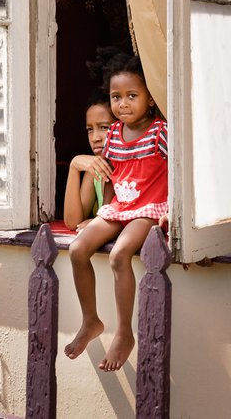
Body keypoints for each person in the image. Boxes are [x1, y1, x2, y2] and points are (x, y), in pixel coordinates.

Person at [64, 50, 168, 372]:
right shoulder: (111, 136)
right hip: (120, 206)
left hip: (149, 209)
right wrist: (100, 215)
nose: (123, 104)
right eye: (116, 97)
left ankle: (124, 332)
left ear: (150, 98)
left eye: (132, 96)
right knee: (78, 249)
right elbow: (110, 179)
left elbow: (183, 171)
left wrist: (175, 213)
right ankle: (91, 320)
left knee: (118, 255)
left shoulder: (160, 132)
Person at [63, 89, 115, 232]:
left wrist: (98, 221)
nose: (95, 138)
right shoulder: (95, 170)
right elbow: (73, 222)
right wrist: (74, 166)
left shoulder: (133, 167)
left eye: (104, 127)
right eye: (90, 129)